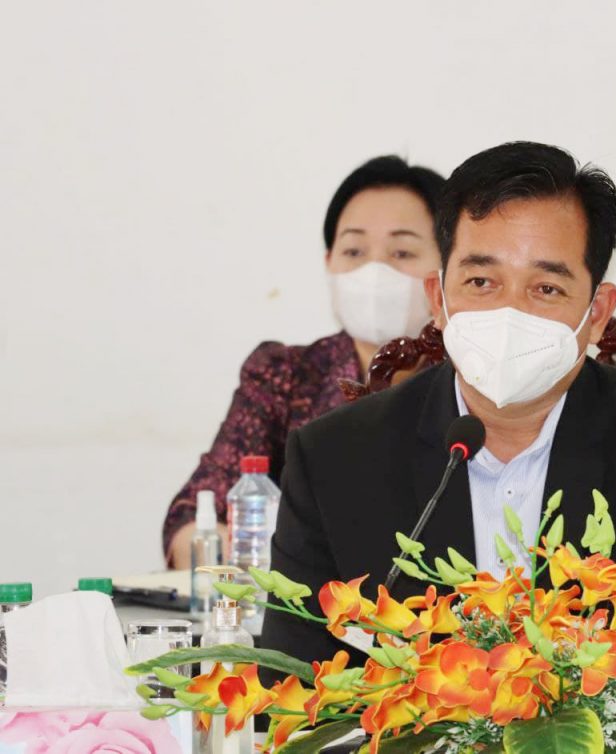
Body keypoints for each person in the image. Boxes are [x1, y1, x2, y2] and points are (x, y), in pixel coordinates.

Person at [262, 141, 616, 665]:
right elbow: (292, 683)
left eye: (546, 289)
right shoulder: (334, 458)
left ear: (597, 313)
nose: (509, 312)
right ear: (438, 299)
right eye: (481, 282)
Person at [163, 156, 445, 567]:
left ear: (448, 270)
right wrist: (247, 551)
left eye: (402, 252)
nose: (374, 271)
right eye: (354, 250)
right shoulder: (284, 375)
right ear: (329, 263)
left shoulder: (472, 380)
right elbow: (190, 519)